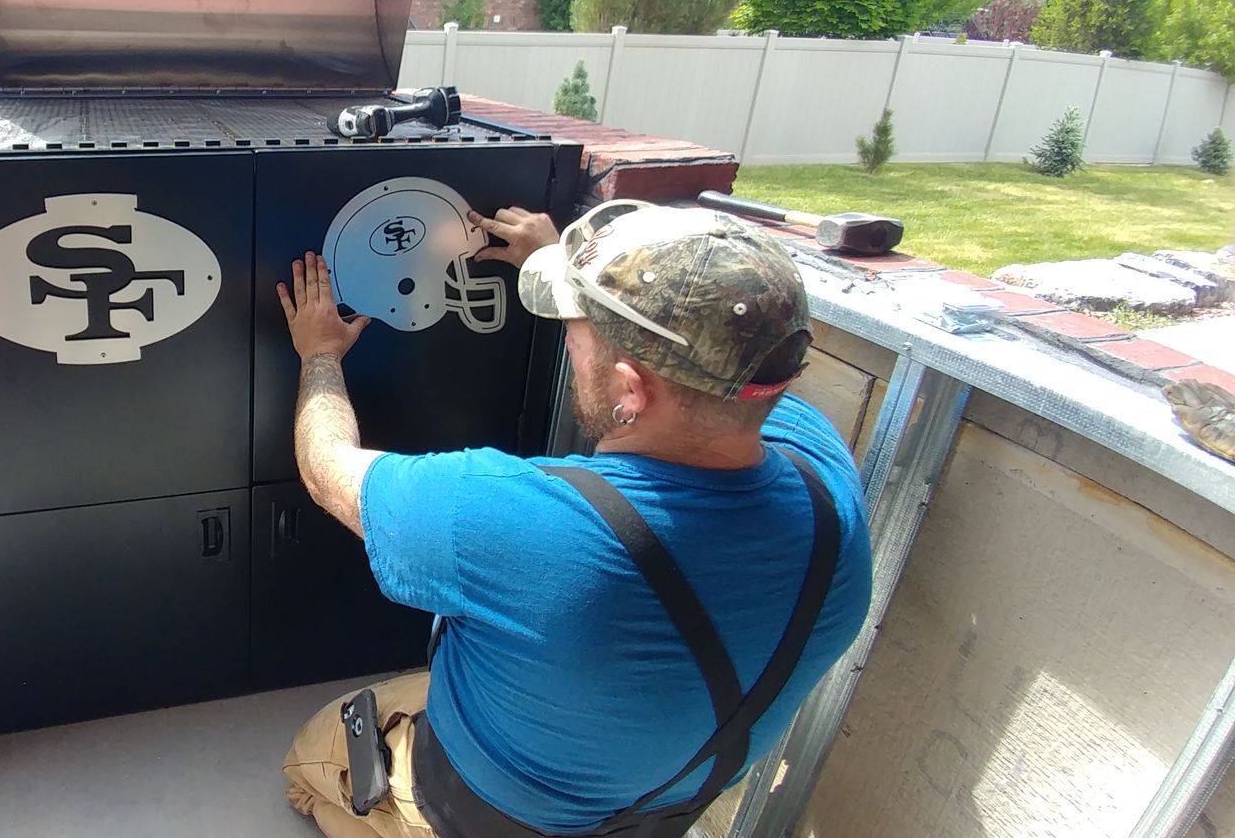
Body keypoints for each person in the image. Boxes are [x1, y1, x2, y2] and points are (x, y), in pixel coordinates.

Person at [274, 200, 874, 838]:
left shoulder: (511, 518)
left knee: (313, 755)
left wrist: (321, 355)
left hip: (482, 813)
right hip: (657, 810)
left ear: (630, 390)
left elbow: (325, 465)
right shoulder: (829, 484)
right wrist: (558, 259)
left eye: (574, 325)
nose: (566, 331)